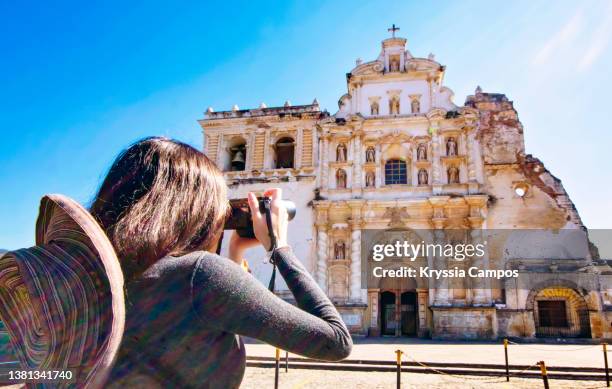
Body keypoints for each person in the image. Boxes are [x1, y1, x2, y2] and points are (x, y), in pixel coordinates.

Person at [90, 137, 352, 388]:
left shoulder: (98, 273)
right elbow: (336, 341)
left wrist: (235, 253)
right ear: (197, 208)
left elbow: (210, 311)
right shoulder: (200, 275)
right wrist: (279, 247)